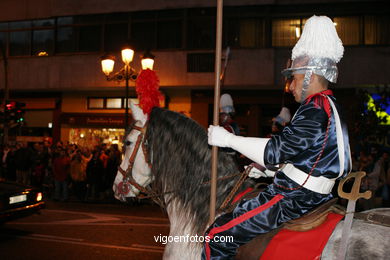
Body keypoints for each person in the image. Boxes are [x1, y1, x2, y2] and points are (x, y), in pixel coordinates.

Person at [204, 15, 352, 259]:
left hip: (295, 197)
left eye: (293, 78)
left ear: (310, 76)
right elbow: (313, 157)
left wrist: (227, 140)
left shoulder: (315, 107)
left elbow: (275, 150)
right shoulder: (329, 104)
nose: (290, 86)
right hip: (314, 191)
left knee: (217, 237)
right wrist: (271, 171)